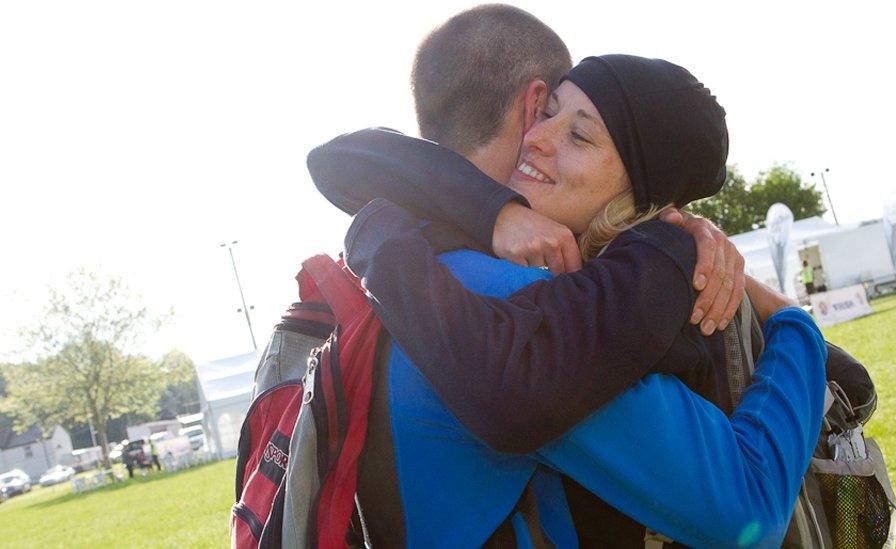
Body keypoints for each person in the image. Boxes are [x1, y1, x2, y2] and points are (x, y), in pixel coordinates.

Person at [310, 6, 858, 546]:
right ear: (531, 104)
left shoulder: (407, 246)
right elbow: (748, 512)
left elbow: (342, 159)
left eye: (581, 135)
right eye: (551, 114)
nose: (544, 138)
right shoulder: (525, 306)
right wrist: (792, 322)